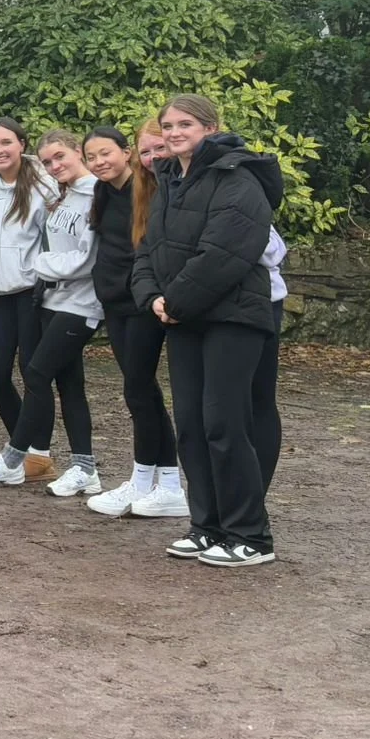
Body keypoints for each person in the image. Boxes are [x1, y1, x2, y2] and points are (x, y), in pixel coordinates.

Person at [133, 94, 284, 567]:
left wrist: (175, 302)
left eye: (185, 124)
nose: (174, 132)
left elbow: (226, 253)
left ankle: (250, 535)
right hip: (184, 318)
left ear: (211, 126)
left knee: (225, 423)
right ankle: (208, 526)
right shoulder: (170, 180)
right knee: (193, 427)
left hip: (234, 317)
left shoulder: (238, 178)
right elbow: (149, 250)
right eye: (168, 125)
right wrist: (151, 297)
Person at [0, 130, 103, 492]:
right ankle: (82, 467)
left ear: (78, 152)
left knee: (37, 373)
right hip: (42, 298)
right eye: (50, 161)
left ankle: (20, 456)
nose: (55, 165)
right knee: (56, 381)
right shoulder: (65, 192)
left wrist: (38, 265)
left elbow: (86, 256)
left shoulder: (89, 192)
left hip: (61, 297)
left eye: (61, 157)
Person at [82, 122, 188, 519]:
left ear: (124, 152)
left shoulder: (149, 190)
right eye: (91, 156)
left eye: (105, 153)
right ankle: (163, 482)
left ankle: (152, 482)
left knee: (139, 391)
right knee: (141, 392)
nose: (98, 162)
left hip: (143, 302)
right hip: (114, 304)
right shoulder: (101, 192)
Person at [0, 118, 57, 459]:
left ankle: (40, 454)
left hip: (31, 293)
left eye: (6, 142)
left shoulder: (43, 183)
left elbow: (56, 239)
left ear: (22, 144)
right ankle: (23, 444)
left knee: (33, 374)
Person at [256, 227, 288, 491]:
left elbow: (273, 250)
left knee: (259, 399)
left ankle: (255, 502)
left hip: (262, 302)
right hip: (204, 308)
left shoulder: (247, 189)